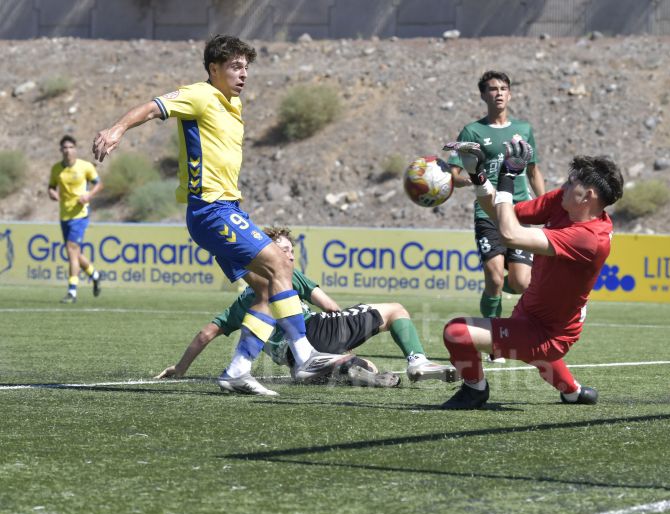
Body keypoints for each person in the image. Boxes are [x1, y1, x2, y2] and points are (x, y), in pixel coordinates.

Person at [92, 34, 350, 396]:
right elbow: (152, 108)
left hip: (227, 209)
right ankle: (305, 354)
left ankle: (238, 370)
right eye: (235, 66)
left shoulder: (234, 105)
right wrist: (117, 128)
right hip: (210, 209)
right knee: (280, 264)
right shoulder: (199, 94)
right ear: (214, 69)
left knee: (263, 290)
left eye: (246, 67)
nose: (243, 74)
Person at [440, 139, 623, 409]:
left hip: (547, 333)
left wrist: (508, 177)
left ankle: (474, 389)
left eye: (571, 183)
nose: (564, 187)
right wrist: (479, 177)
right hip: (534, 314)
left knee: (456, 331)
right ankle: (573, 392)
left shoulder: (590, 239)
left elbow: (509, 235)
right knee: (539, 358)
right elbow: (503, 214)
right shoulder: (565, 205)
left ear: (588, 196)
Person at [155, 227, 456, 391]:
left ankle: (346, 368)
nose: (288, 255)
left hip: (293, 358)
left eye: (290, 249)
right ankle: (418, 361)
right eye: (282, 249)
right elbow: (330, 307)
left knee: (368, 369)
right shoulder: (288, 276)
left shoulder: (243, 303)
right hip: (318, 329)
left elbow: (206, 334)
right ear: (268, 255)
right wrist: (348, 329)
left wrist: (180, 369)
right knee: (395, 310)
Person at [447, 71, 546, 349]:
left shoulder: (524, 129)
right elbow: (454, 174)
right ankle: (494, 341)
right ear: (483, 95)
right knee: (493, 276)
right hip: (488, 212)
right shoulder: (472, 132)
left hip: (520, 213)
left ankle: (508, 293)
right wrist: (475, 177)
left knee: (522, 282)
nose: (498, 93)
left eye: (503, 88)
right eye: (492, 89)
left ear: (510, 93)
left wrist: (547, 206)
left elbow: (534, 171)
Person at [48, 135, 103, 303]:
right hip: (64, 214)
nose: (68, 150)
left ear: (75, 149)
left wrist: (88, 195)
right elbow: (51, 187)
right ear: (61, 150)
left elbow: (98, 184)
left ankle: (72, 291)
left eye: (71, 147)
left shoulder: (85, 166)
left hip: (80, 214)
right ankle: (95, 275)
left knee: (71, 250)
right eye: (65, 147)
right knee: (75, 253)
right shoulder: (56, 169)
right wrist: (53, 194)